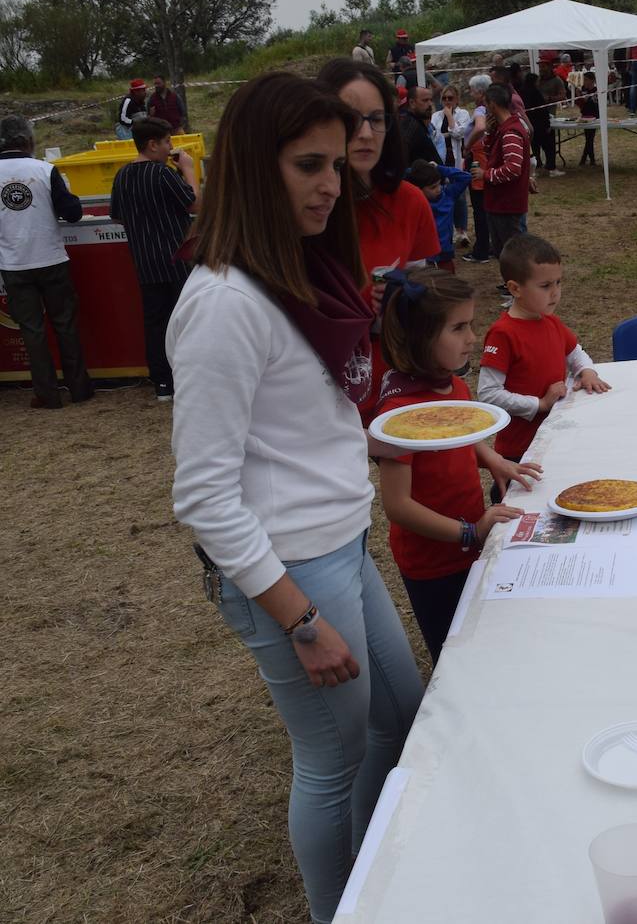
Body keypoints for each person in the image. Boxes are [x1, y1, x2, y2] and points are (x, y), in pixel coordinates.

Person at [166, 71, 423, 924]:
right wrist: (299, 619)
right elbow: (204, 494)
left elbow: (306, 419)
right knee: (332, 758)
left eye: (335, 165)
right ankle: (338, 909)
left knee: (401, 714)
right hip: (290, 572)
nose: (331, 184)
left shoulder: (301, 274)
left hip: (341, 544)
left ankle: (376, 876)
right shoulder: (224, 304)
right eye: (308, 165)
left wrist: (376, 445)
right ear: (253, 167)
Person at [373, 268, 537, 662]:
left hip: (471, 542)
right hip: (434, 565)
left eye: (471, 325)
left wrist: (493, 459)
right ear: (420, 336)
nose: (472, 338)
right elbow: (398, 505)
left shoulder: (454, 386)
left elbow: (461, 435)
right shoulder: (399, 414)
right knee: (454, 652)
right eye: (459, 328)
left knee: (485, 637)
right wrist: (469, 532)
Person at [317, 58, 441, 418]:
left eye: (377, 119)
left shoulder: (409, 201)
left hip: (394, 380)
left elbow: (424, 292)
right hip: (320, 388)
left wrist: (402, 299)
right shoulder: (309, 207)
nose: (366, 133)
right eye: (350, 118)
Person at [477, 234, 610, 464]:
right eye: (545, 286)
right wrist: (540, 404)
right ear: (515, 288)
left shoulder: (551, 321)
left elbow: (575, 352)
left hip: (556, 437)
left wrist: (587, 371)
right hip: (520, 450)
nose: (555, 292)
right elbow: (489, 394)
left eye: (558, 282)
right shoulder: (503, 334)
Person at [0, 115, 94, 409]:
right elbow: (73, 214)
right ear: (28, 141)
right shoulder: (45, 169)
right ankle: (79, 388)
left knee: (32, 331)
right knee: (65, 324)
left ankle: (47, 394)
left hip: (14, 264)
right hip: (51, 259)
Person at [108, 116, 200, 401]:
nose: (171, 146)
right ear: (152, 144)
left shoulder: (122, 175)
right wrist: (189, 169)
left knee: (155, 323)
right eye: (167, 141)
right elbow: (195, 203)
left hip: (145, 262)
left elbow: (117, 216)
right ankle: (188, 378)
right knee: (184, 321)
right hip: (176, 261)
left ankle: (162, 383)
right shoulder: (162, 174)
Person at [480, 83, 531, 264]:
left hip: (507, 204)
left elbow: (513, 168)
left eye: (486, 105)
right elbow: (493, 155)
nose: (485, 110)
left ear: (493, 105)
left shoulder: (510, 132)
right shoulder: (503, 130)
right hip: (500, 203)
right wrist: (489, 133)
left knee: (513, 255)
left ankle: (519, 281)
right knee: (504, 252)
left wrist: (485, 175)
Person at [403, 160, 472, 271]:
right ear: (418, 189)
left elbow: (466, 177)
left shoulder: (448, 194)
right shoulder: (414, 202)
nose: (438, 189)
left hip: (445, 253)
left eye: (439, 184)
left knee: (447, 279)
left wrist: (439, 168)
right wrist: (415, 171)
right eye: (433, 187)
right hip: (424, 255)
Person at [430, 84, 471, 247]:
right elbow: (434, 136)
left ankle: (462, 230)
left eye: (450, 98)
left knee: (459, 196)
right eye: (444, 98)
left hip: (456, 158)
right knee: (442, 194)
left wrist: (449, 117)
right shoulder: (435, 116)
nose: (447, 101)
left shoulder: (463, 114)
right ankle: (449, 229)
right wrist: (447, 130)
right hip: (441, 158)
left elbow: (459, 133)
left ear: (457, 99)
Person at [461, 74, 493, 264]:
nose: (471, 94)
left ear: (480, 93)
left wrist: (467, 146)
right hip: (487, 159)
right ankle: (491, 244)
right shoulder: (492, 109)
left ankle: (481, 250)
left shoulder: (481, 109)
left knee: (479, 207)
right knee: (487, 206)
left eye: (472, 91)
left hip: (478, 161)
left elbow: (480, 128)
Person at [398, 83, 442, 166]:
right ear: (412, 103)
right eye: (425, 100)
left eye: (431, 100)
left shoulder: (418, 124)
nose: (430, 104)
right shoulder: (409, 126)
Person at [576, 71, 599, 166]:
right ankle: (588, 159)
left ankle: (586, 159)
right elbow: (580, 104)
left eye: (586, 80)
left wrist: (584, 98)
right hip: (585, 116)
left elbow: (593, 103)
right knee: (588, 138)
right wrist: (578, 96)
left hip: (594, 116)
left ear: (592, 80)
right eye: (584, 80)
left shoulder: (596, 90)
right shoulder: (583, 89)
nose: (584, 82)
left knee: (590, 138)